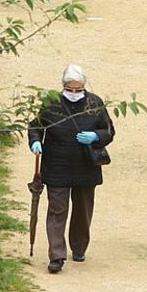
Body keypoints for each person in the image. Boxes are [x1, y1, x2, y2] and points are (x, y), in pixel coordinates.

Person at [27, 64, 116, 273]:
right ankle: (56, 255)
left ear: (84, 86)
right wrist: (35, 142)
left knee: (83, 210)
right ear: (63, 86)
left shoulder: (94, 103)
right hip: (57, 165)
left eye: (78, 89)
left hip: (86, 166)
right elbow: (36, 127)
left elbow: (109, 131)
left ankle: (78, 247)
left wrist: (96, 137)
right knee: (57, 210)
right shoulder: (51, 104)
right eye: (70, 89)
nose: (74, 93)